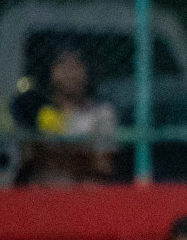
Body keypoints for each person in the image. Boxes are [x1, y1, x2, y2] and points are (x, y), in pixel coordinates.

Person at [11, 46, 119, 186]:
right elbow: (28, 157)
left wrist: (54, 152)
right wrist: (79, 152)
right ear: (52, 72)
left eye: (76, 66)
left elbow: (103, 165)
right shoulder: (36, 111)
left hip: (82, 193)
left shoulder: (102, 113)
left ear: (86, 72)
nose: (70, 73)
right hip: (45, 191)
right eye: (62, 65)